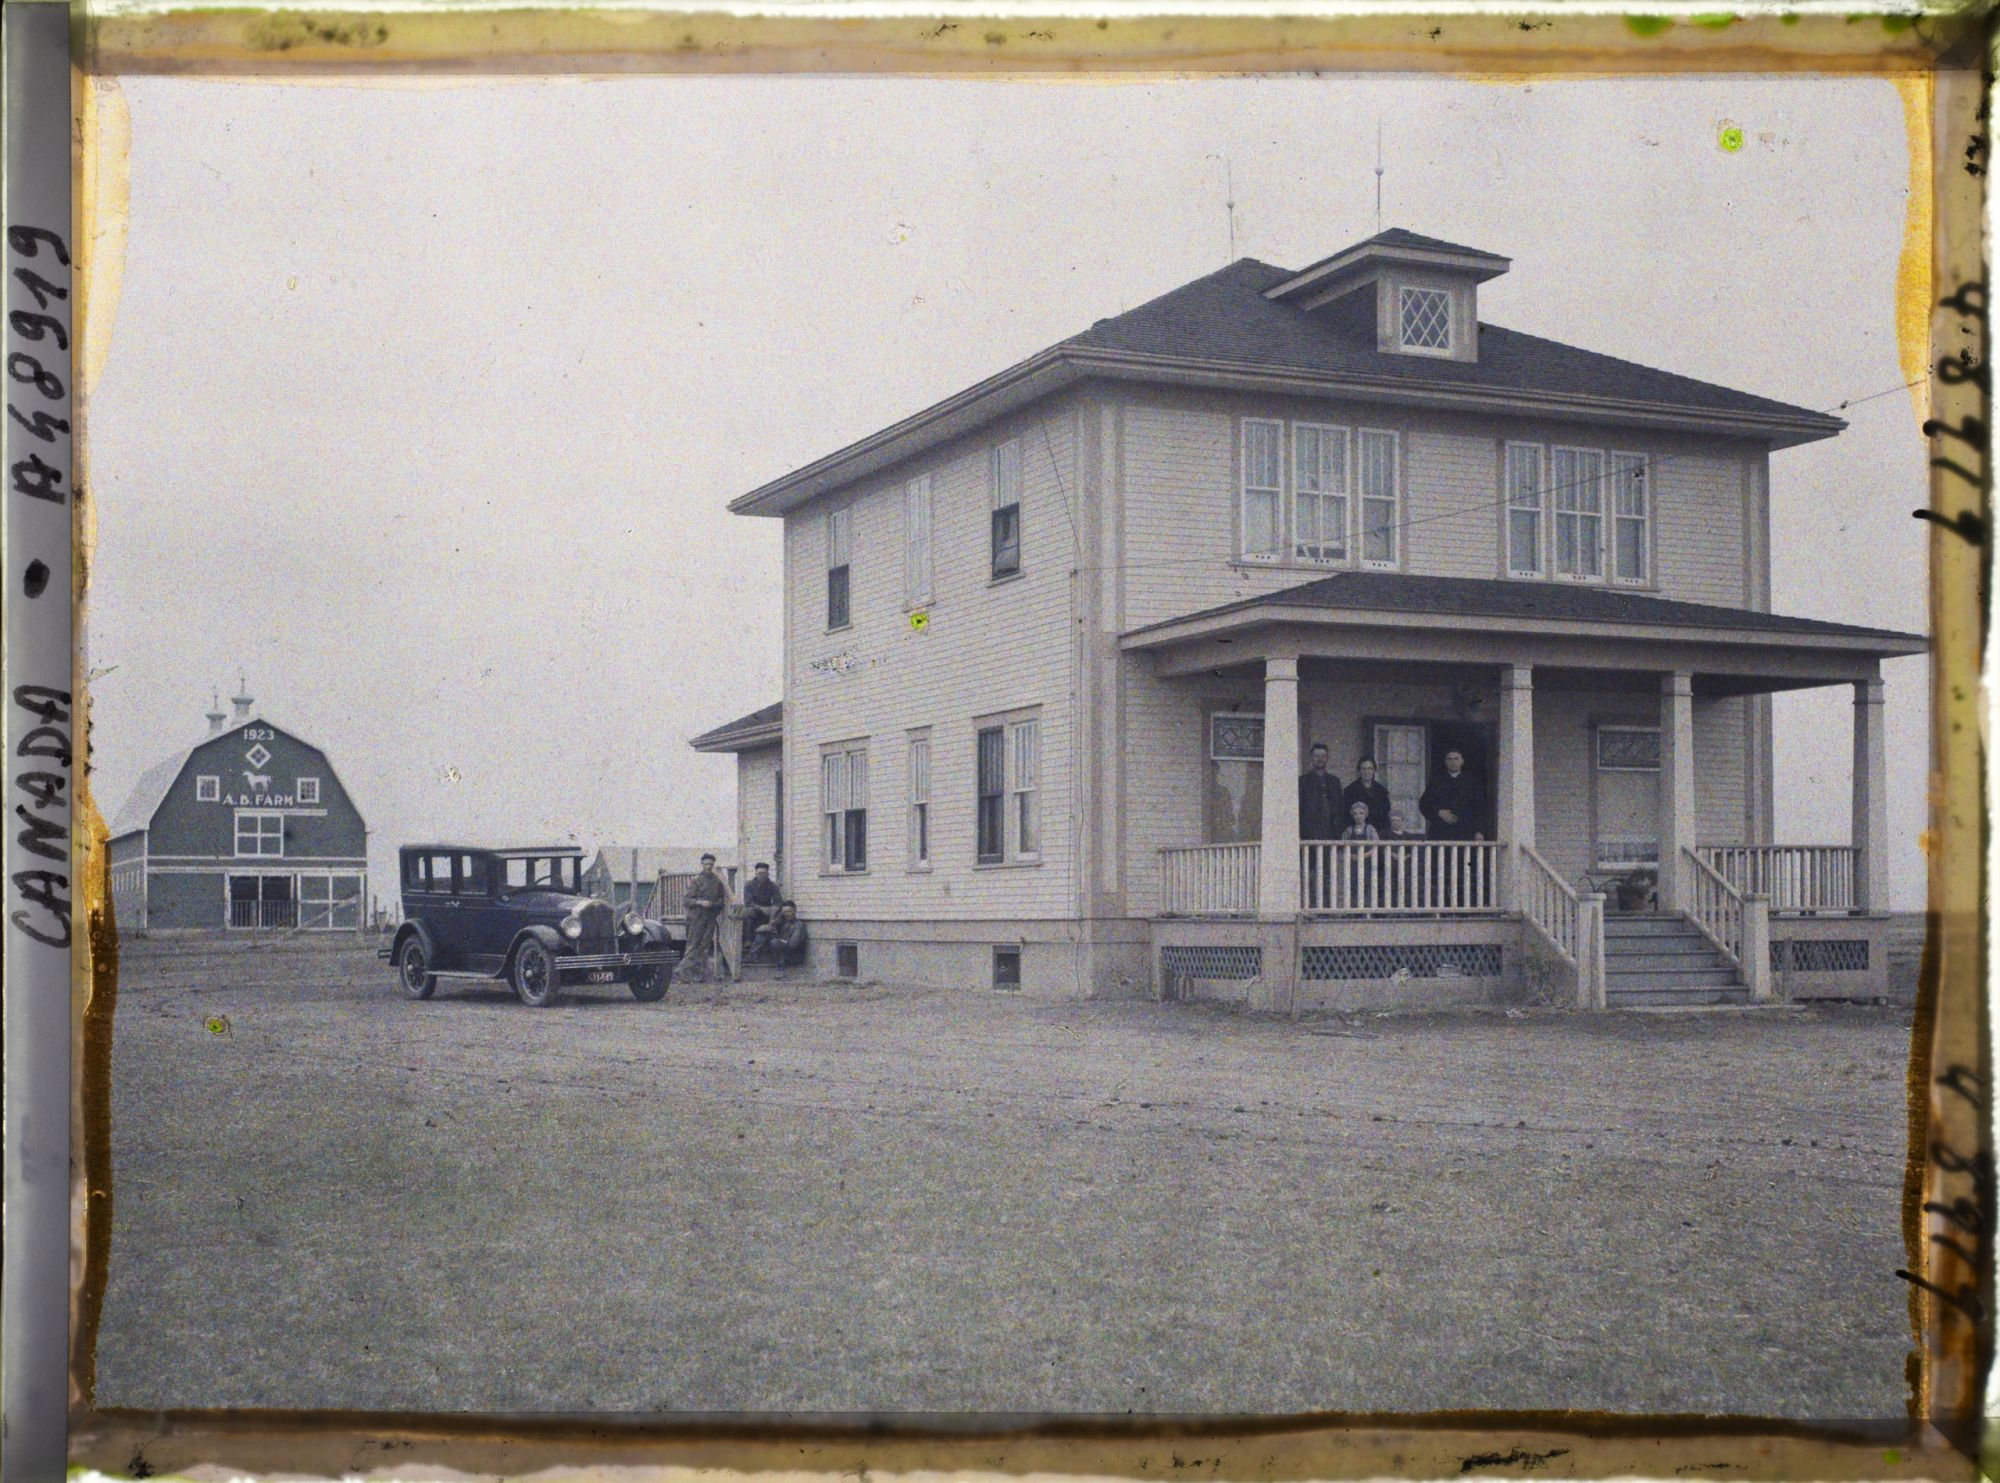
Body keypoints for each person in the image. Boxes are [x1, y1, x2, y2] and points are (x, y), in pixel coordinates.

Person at [1298, 743, 1343, 910]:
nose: (1320, 759)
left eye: (1323, 756)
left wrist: (1338, 832)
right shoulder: (1303, 782)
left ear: (1327, 758)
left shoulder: (1334, 782)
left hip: (1329, 834)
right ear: (1311, 758)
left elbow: (1340, 808)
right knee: (1308, 874)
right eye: (1317, 756)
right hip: (1309, 834)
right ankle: (1308, 907)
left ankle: (1327, 908)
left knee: (1328, 874)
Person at [1418, 749, 1487, 842]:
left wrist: (1479, 830)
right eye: (1449, 759)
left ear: (1462, 761)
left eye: (1456, 759)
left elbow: (1480, 808)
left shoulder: (1471, 783)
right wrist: (1438, 812)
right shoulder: (1437, 781)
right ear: (1445, 762)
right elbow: (1424, 804)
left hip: (1465, 832)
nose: (1453, 762)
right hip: (1440, 833)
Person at [680, 853, 727, 980]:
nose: (708, 867)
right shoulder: (696, 880)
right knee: (693, 944)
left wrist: (714, 905)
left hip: (710, 917)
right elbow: (686, 900)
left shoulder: (717, 882)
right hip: (696, 916)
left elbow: (721, 901)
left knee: (705, 945)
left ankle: (698, 974)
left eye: (711, 864)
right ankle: (683, 972)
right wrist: (700, 902)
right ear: (702, 864)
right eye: (706, 864)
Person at [1341, 756, 1395, 839]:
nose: (1367, 772)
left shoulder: (1382, 791)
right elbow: (1346, 815)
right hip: (1357, 833)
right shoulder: (1350, 790)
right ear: (1359, 770)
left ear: (1374, 770)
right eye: (1363, 768)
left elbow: (1385, 816)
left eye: (1370, 768)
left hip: (1378, 833)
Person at [748, 900, 809, 967]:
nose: (787, 914)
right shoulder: (784, 923)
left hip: (794, 956)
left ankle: (781, 965)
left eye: (789, 911)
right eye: (784, 912)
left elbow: (792, 944)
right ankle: (753, 955)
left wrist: (779, 939)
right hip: (782, 952)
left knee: (775, 941)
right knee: (764, 932)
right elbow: (772, 926)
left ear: (795, 911)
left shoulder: (799, 925)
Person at [740, 861, 781, 947]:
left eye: (764, 873)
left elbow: (778, 901)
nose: (762, 876)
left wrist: (773, 910)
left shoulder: (772, 885)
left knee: (781, 912)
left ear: (767, 874)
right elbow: (748, 902)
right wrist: (762, 909)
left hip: (769, 912)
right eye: (760, 873)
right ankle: (748, 940)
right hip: (755, 910)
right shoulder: (749, 885)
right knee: (749, 911)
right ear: (756, 873)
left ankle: (773, 940)